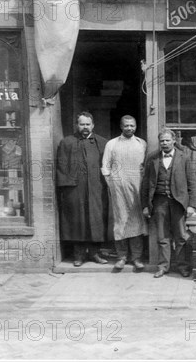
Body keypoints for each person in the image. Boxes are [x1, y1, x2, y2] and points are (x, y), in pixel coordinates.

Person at [141, 128, 196, 278]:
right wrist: (145, 205)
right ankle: (163, 266)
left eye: (167, 140)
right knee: (162, 236)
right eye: (162, 141)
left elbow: (192, 183)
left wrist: (192, 204)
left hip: (178, 202)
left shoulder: (184, 157)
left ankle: (183, 266)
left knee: (181, 236)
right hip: (159, 201)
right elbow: (145, 184)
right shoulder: (152, 158)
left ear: (174, 141)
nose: (165, 143)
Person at [57, 111, 110, 267]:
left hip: (96, 188)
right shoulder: (66, 143)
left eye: (88, 124)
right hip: (75, 189)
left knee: (96, 219)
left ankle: (95, 253)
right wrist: (67, 186)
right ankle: (79, 254)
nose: (85, 127)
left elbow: (108, 165)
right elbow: (61, 165)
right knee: (77, 220)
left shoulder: (103, 143)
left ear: (93, 125)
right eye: (82, 124)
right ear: (77, 125)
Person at [102, 116, 148, 271]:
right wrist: (113, 184)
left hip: (137, 188)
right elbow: (105, 167)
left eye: (132, 126)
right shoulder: (112, 144)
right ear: (121, 127)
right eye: (126, 126)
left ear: (135, 126)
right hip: (118, 188)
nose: (129, 128)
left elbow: (145, 167)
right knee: (120, 220)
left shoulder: (141, 143)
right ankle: (121, 257)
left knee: (136, 220)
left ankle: (136, 257)